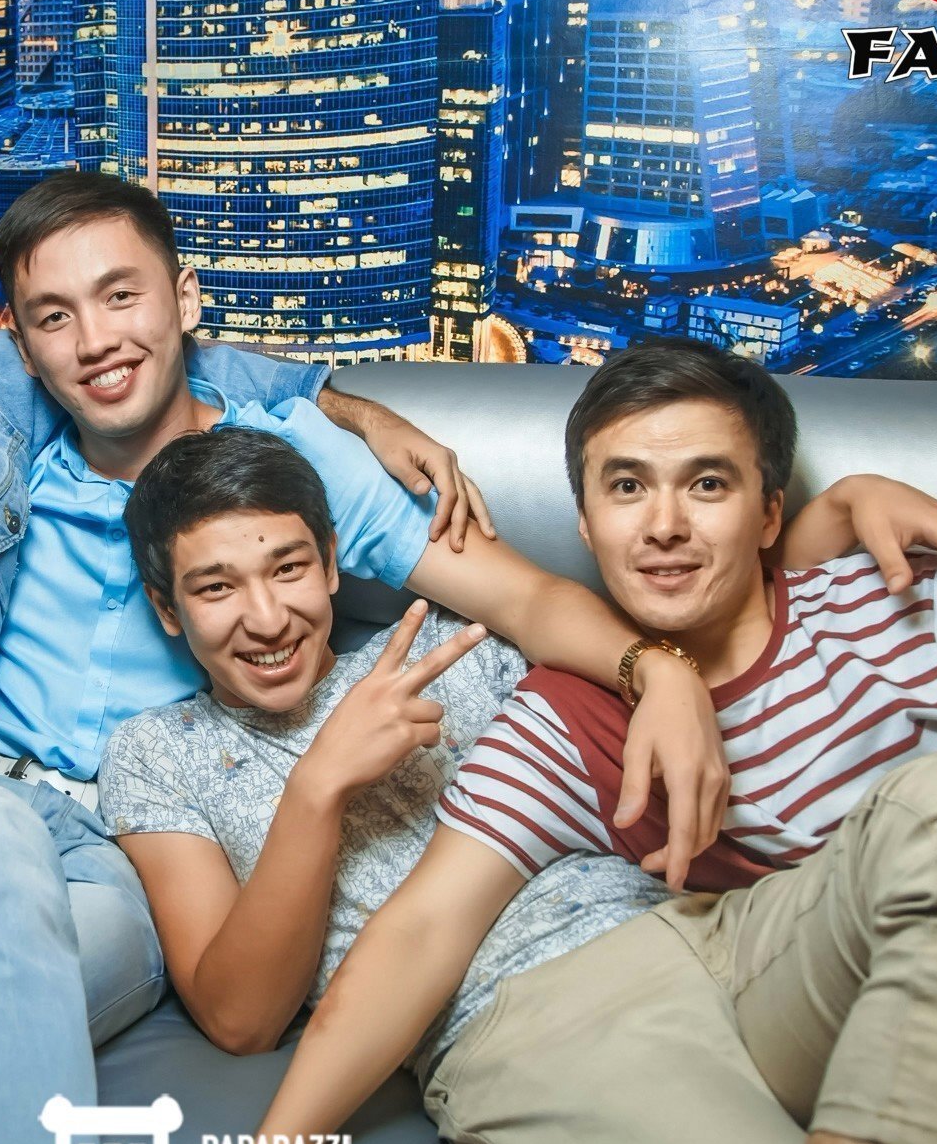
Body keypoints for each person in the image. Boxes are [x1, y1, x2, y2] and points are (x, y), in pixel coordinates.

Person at [0, 173, 937, 1144]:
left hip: (111, 864)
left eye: (123, 297)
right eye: (53, 316)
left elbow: (522, 600)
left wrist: (661, 667)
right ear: (16, 344)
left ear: (185, 297)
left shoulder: (301, 465)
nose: (94, 341)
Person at [208, 337, 937, 1144]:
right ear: (586, 523)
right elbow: (418, 934)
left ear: (768, 514)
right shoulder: (569, 726)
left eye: (707, 484)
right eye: (627, 487)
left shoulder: (907, 603)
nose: (664, 526)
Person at [99, 427, 670, 1083]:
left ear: (330, 565)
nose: (267, 620)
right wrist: (318, 785)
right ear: (167, 608)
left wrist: (664, 669)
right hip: (527, 1034)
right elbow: (241, 1021)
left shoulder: (454, 647)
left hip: (676, 936)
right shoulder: (157, 754)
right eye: (216, 590)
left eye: (288, 570)